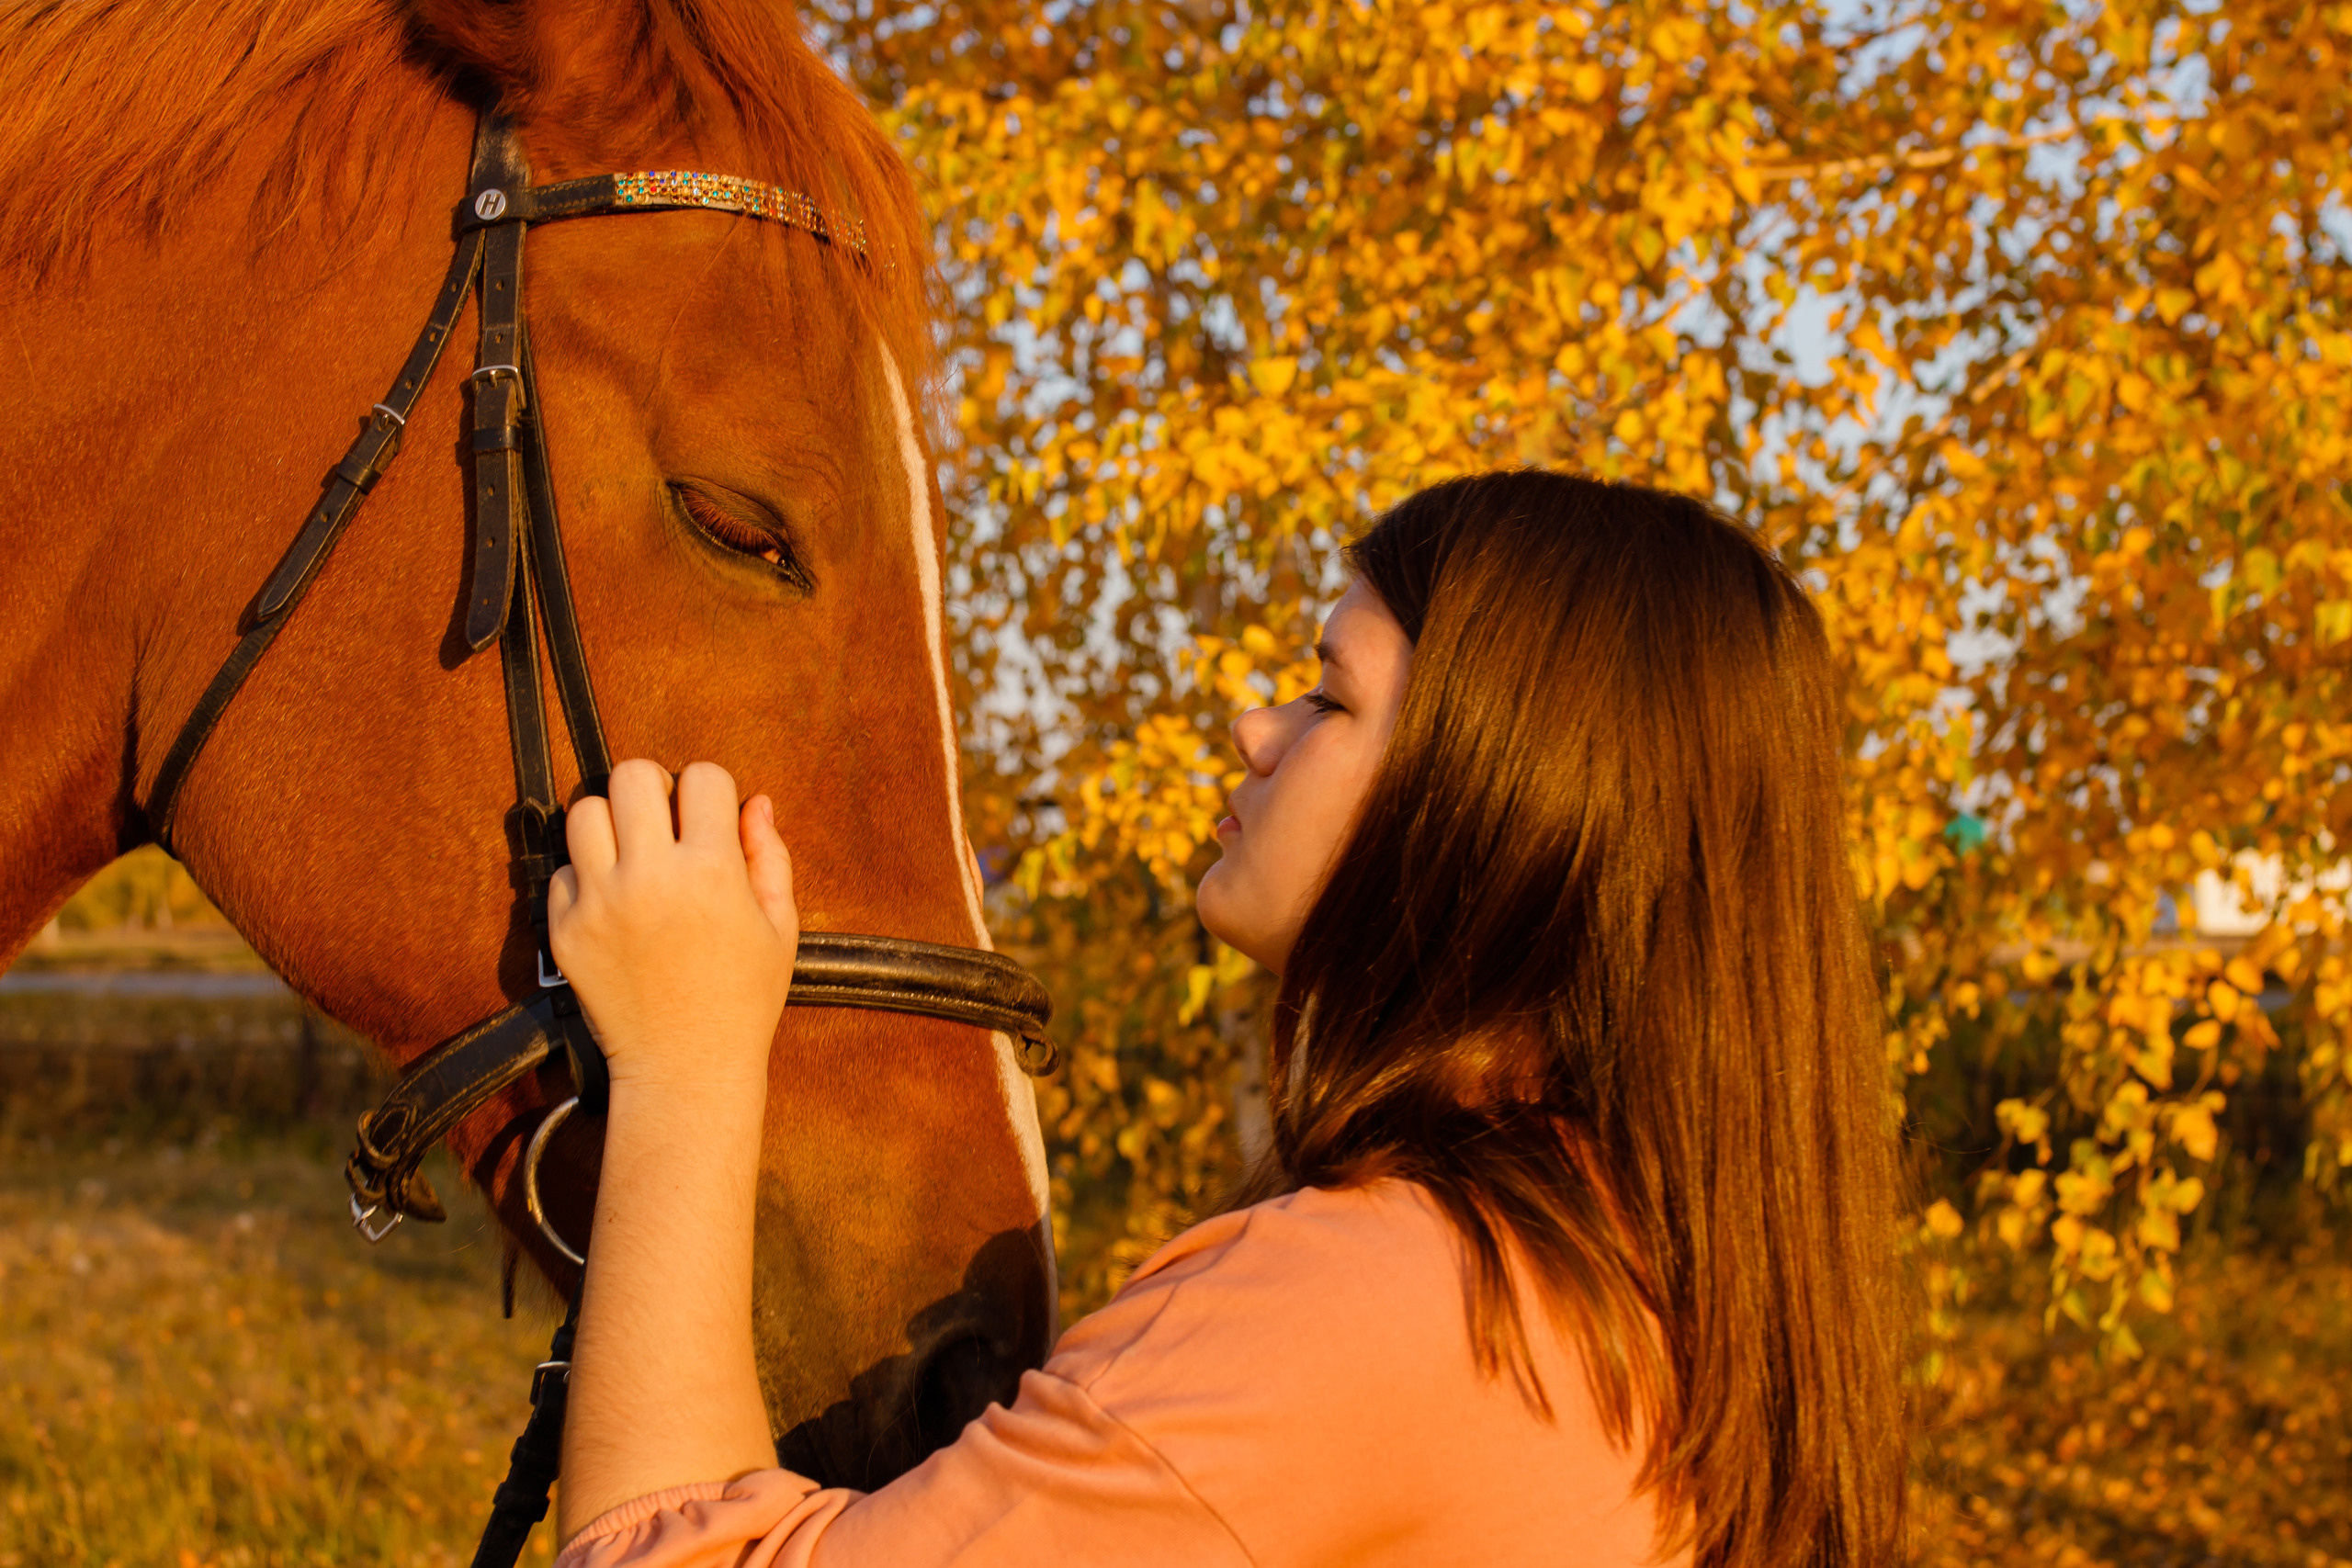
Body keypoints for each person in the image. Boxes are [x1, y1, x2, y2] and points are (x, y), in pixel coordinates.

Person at [542, 469, 1907, 1568]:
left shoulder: (1377, 1304)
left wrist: (686, 1059)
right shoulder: (1659, 1278)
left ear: (1497, 800)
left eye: (1329, 696)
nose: (1256, 727)